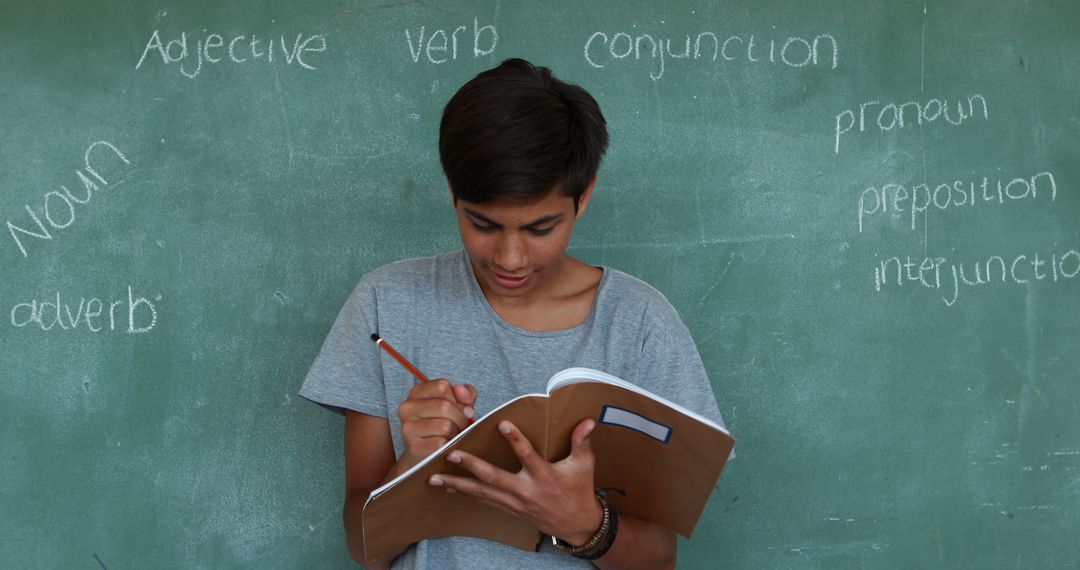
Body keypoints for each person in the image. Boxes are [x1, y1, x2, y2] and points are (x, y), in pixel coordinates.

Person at [300, 58, 727, 569]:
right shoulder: (384, 303)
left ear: (583, 197)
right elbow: (363, 546)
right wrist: (410, 466)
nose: (510, 258)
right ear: (453, 194)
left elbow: (658, 560)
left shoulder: (639, 324)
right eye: (482, 224)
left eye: (540, 229)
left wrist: (583, 524)